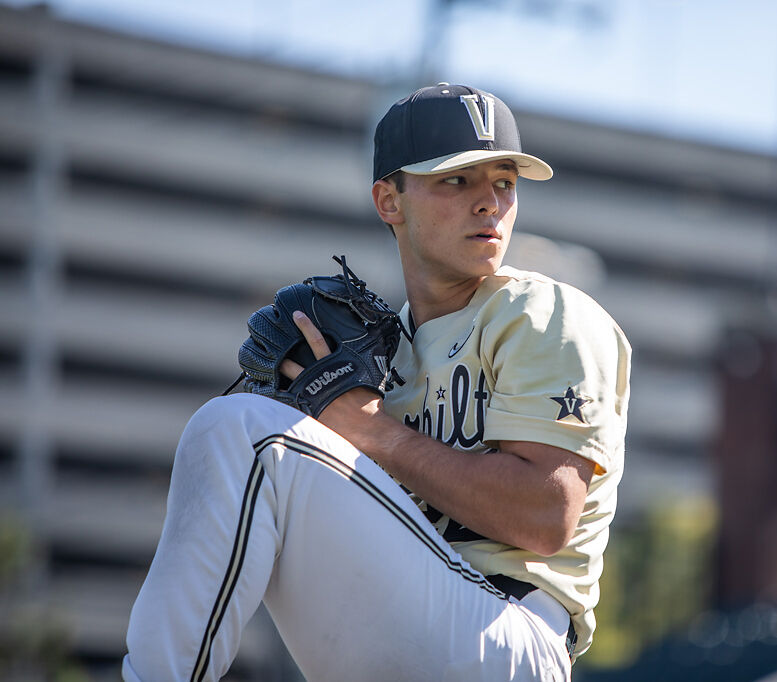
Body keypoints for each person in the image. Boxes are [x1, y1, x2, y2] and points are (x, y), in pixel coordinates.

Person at [123, 82, 631, 682]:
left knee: (239, 429)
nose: (489, 202)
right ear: (389, 201)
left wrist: (372, 433)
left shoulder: (542, 313)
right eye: (456, 179)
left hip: (508, 635)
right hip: (406, 626)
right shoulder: (382, 351)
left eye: (504, 181)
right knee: (248, 435)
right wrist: (318, 432)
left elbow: (547, 517)